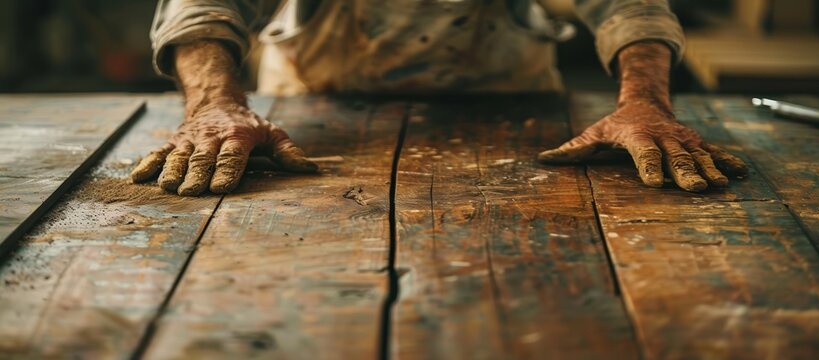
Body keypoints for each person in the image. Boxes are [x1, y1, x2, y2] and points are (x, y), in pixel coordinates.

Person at [131, 0, 748, 196]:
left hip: (514, 117)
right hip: (320, 115)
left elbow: (628, 3)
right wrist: (214, 102)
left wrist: (647, 102)